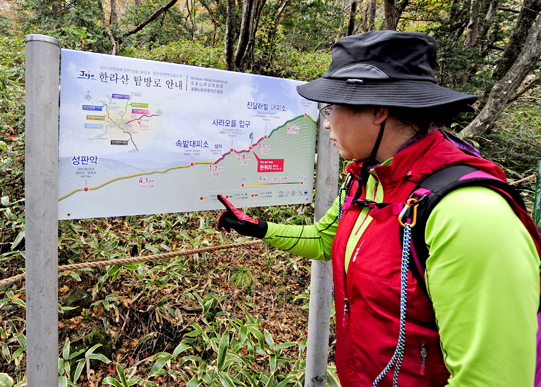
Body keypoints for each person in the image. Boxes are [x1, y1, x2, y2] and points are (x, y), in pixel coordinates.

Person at [217, 30, 540, 386]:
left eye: (332, 108)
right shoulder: (366, 180)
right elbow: (325, 240)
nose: (326, 122)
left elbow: (494, 378)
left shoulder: (469, 213)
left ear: (379, 111)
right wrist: (260, 229)